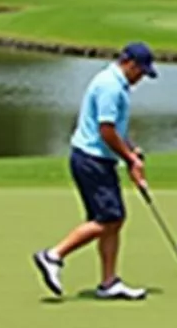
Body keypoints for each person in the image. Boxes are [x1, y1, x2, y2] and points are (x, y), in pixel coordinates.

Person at [33, 42, 158, 301]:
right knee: (109, 218)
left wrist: (131, 150)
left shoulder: (115, 83)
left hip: (96, 159)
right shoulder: (111, 86)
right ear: (130, 64)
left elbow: (117, 131)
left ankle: (109, 282)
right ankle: (53, 256)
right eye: (141, 72)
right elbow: (106, 131)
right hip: (92, 159)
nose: (141, 78)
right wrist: (130, 160)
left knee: (112, 220)